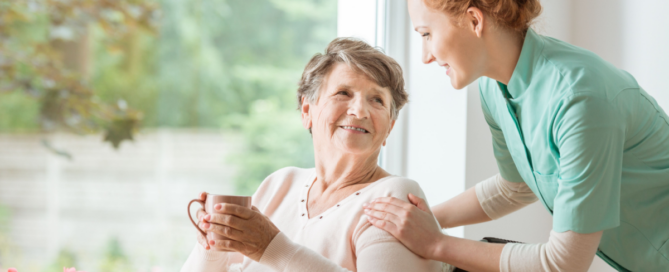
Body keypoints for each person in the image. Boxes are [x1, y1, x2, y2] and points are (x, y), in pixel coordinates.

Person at [363, 0, 669, 271]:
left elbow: (564, 263)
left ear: (474, 20)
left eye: (426, 34)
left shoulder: (579, 99)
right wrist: (425, 218)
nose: (425, 56)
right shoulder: (493, 87)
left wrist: (435, 243)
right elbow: (516, 187)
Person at [180, 38, 443, 272]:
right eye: (344, 93)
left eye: (377, 100)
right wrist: (211, 242)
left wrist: (271, 248)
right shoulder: (279, 184)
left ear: (390, 127)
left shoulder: (394, 195)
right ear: (307, 110)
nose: (359, 111)